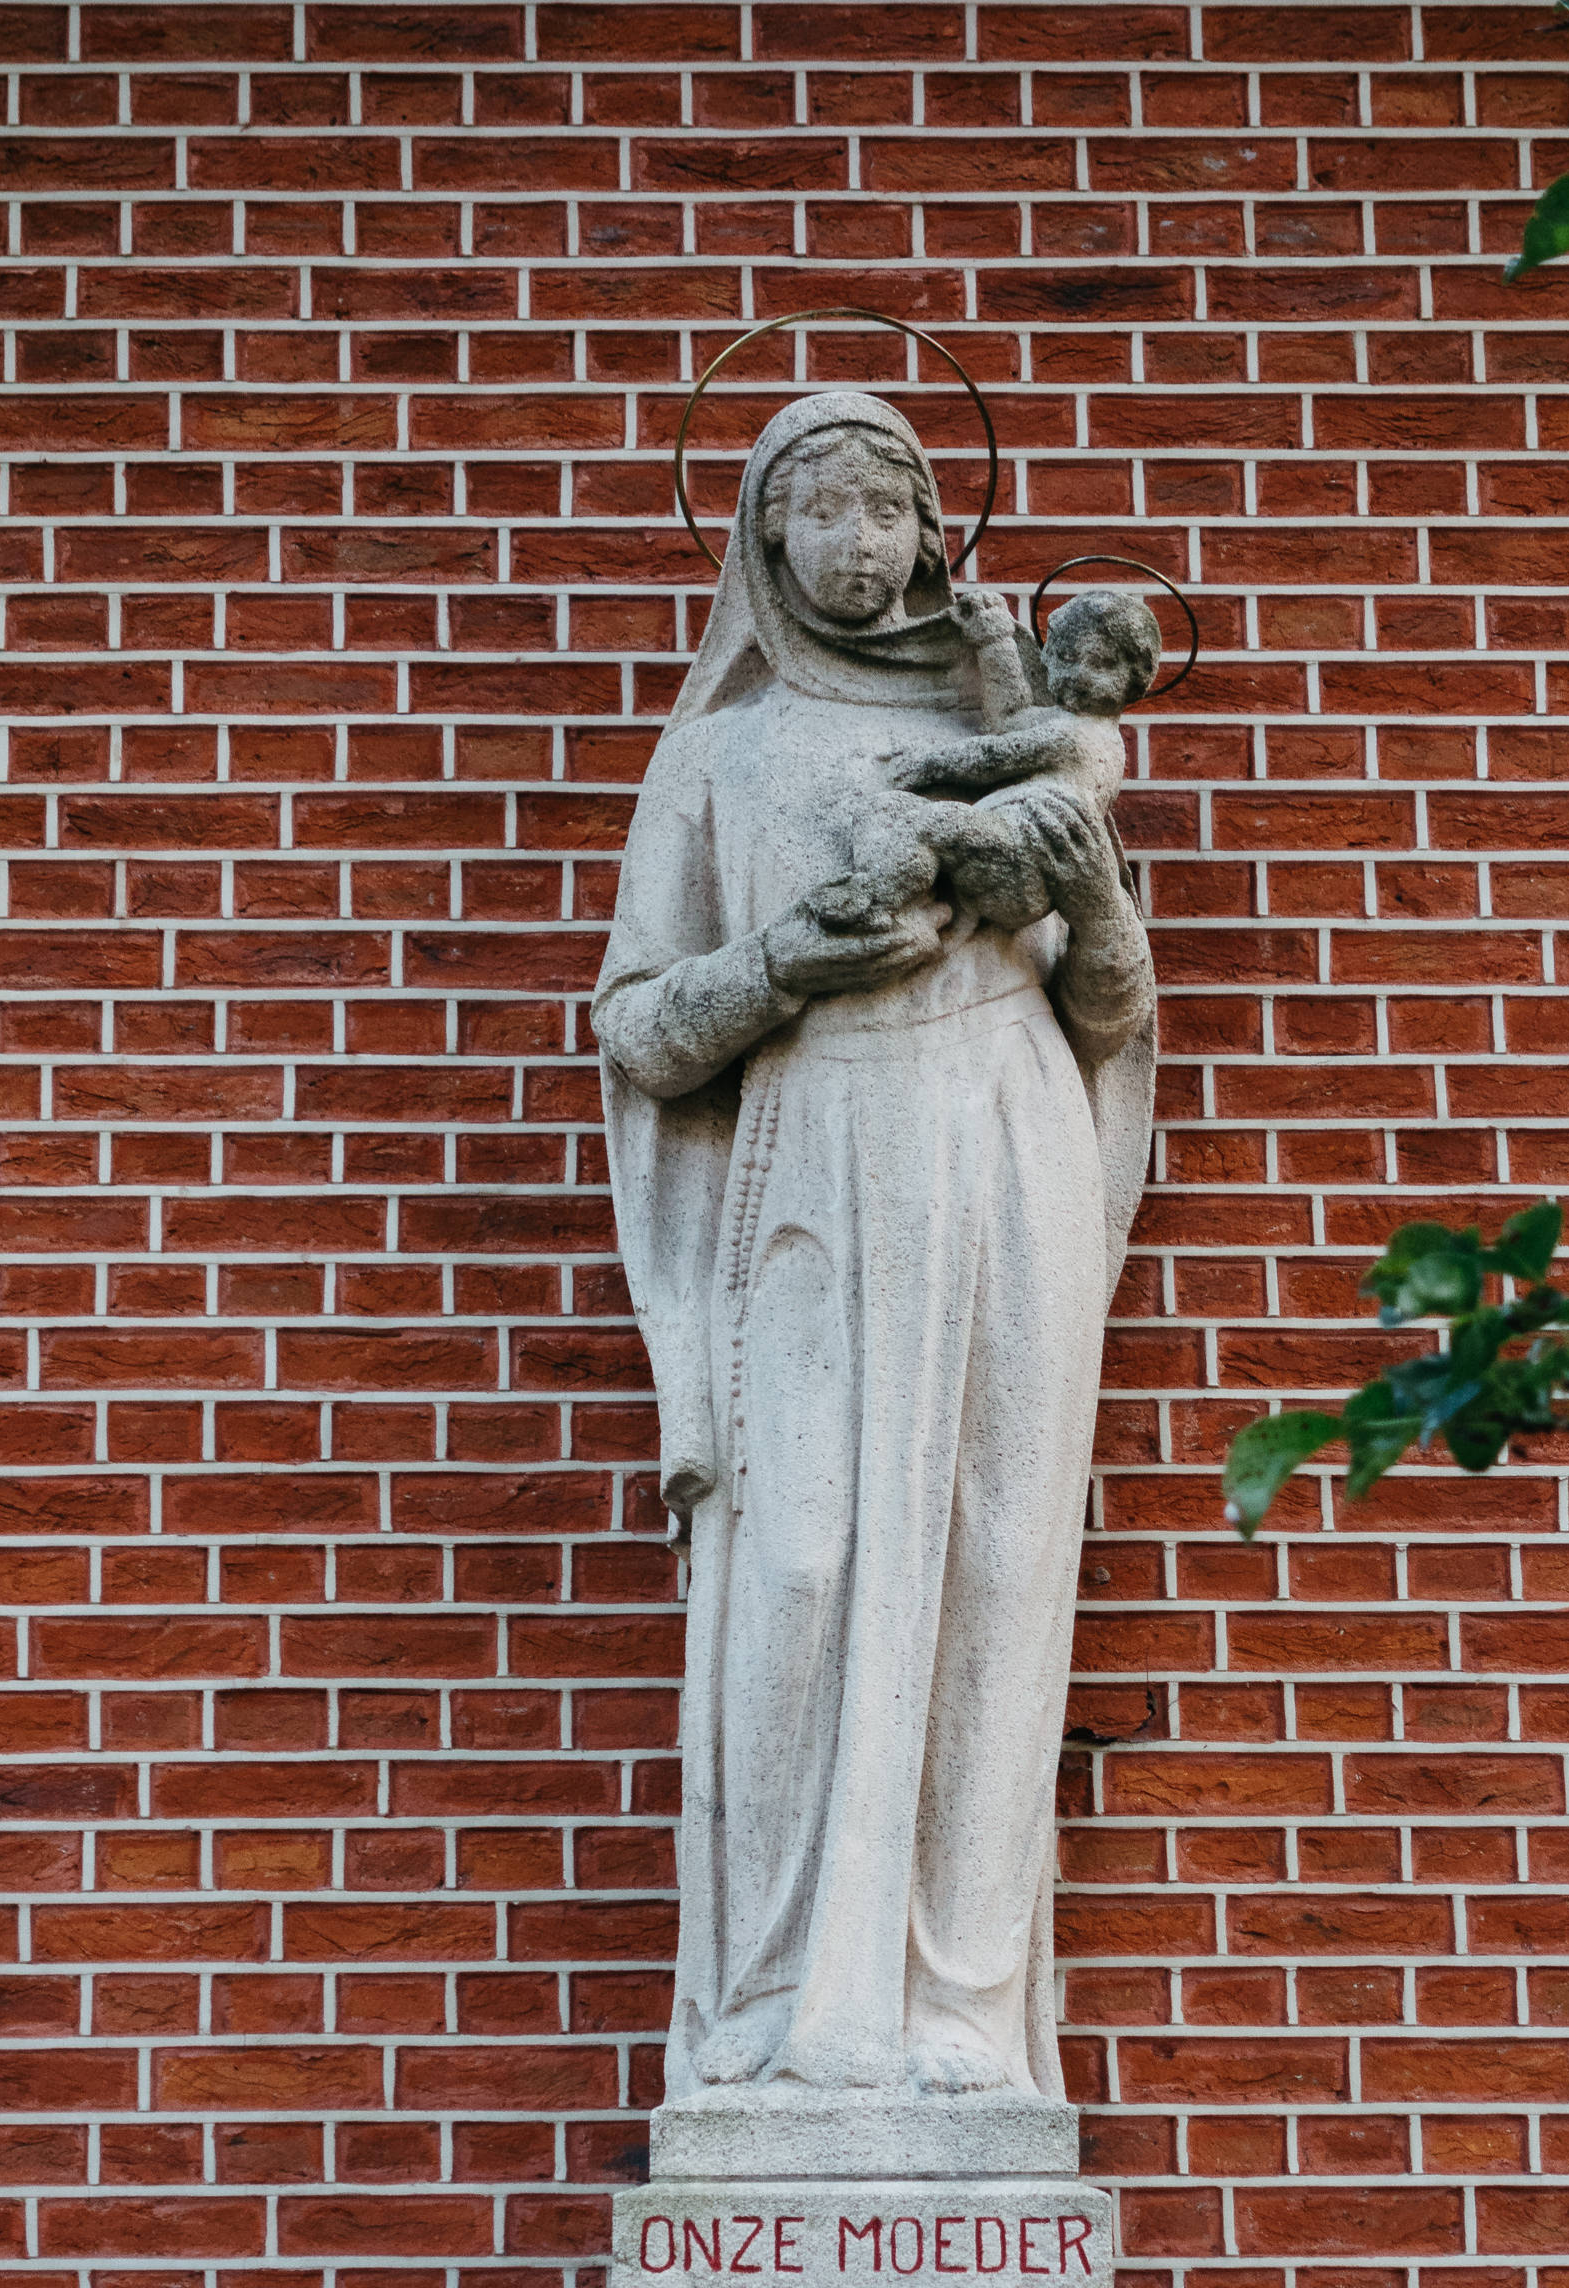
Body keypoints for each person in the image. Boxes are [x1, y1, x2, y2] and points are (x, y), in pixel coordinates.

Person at [592, 390, 1156, 2110]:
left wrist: (1098, 896)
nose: (857, 543)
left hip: (1001, 1146)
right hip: (815, 1161)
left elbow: (1107, 1014)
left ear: (930, 533)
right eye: (821, 508)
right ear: (764, 534)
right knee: (800, 1562)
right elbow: (642, 1030)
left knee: (993, 1555)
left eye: (886, 509)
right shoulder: (724, 755)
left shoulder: (1018, 725)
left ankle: (960, 2008)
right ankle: (776, 2002)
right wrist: (786, 967)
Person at [816, 583, 1162, 942]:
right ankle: (884, 883)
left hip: (1029, 862)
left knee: (938, 823)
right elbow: (1010, 719)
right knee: (884, 809)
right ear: (1048, 657)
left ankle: (873, 904)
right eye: (1067, 657)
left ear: (1136, 679)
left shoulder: (1083, 736)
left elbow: (992, 756)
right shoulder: (1063, 721)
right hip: (1003, 842)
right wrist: (994, 638)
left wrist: (925, 765)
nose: (1080, 674)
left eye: (1103, 664)